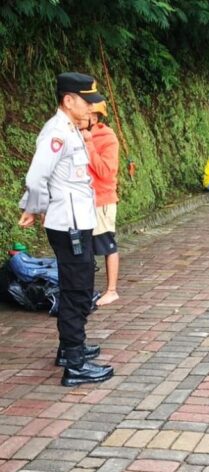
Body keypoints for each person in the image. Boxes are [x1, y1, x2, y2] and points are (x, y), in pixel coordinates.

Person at [17, 72, 114, 387]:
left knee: (78, 285)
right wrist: (33, 207)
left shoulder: (70, 128)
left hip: (76, 221)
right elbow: (36, 177)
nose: (91, 108)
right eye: (87, 102)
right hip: (69, 224)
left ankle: (69, 348)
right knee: (77, 290)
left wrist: (35, 207)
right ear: (68, 100)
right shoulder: (57, 132)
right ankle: (75, 365)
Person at [84, 101, 121, 306]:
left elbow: (105, 171)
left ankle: (112, 290)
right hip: (83, 201)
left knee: (106, 244)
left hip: (102, 201)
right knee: (85, 248)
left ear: (94, 117)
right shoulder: (76, 134)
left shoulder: (107, 138)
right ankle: (85, 290)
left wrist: (89, 144)